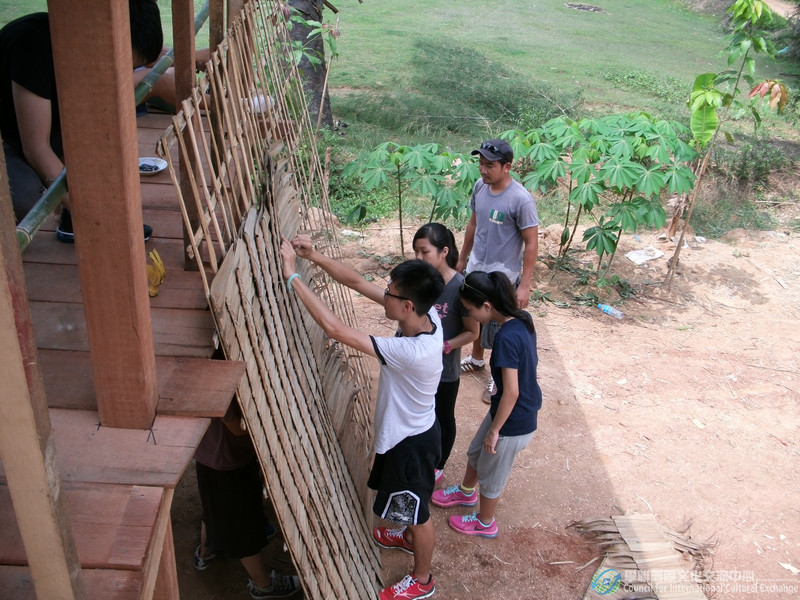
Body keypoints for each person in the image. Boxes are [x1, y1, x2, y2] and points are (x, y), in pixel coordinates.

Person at [280, 234, 444, 600]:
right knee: (408, 504)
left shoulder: (413, 350)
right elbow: (356, 282)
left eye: (390, 293)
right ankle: (406, 536)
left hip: (411, 442)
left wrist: (293, 276)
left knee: (419, 514)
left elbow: (336, 330)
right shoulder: (426, 314)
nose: (384, 295)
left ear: (406, 306)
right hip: (410, 431)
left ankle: (422, 580)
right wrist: (314, 255)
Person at [0, 0, 170, 240]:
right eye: (119, 64)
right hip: (9, 139)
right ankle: (73, 210)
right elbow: (36, 148)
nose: (121, 72)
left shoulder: (88, 43)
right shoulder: (31, 43)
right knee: (25, 198)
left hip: (54, 128)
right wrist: (96, 220)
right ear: (99, 34)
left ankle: (71, 210)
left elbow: (158, 57)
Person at [431, 271, 542, 539]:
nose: (469, 315)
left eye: (470, 310)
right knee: (476, 451)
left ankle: (485, 522)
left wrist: (495, 430)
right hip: (505, 410)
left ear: (487, 306)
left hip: (513, 420)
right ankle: (466, 493)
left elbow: (512, 392)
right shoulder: (522, 319)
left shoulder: (505, 338)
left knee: (492, 473)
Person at [455, 138, 539, 402]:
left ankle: (498, 376)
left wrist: (524, 285)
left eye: (489, 165)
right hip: (476, 268)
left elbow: (531, 243)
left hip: (503, 277)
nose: (483, 170)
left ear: (507, 167)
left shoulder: (521, 200)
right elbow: (473, 224)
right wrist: (462, 258)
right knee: (476, 316)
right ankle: (476, 359)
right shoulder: (480, 187)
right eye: (481, 164)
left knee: (500, 325)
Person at [193, 398, 302, 599]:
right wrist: (268, 425)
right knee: (242, 527)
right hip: (228, 460)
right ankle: (263, 585)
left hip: (207, 451)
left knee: (213, 505)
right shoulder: (225, 385)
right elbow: (236, 427)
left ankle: (206, 552)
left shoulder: (206, 378)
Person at [412, 223, 478, 484]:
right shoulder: (418, 281)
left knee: (442, 417)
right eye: (416, 251)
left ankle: (437, 465)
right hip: (415, 366)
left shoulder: (460, 288)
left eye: (424, 251)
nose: (419, 258)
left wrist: (444, 346)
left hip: (444, 371)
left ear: (444, 251)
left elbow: (472, 332)